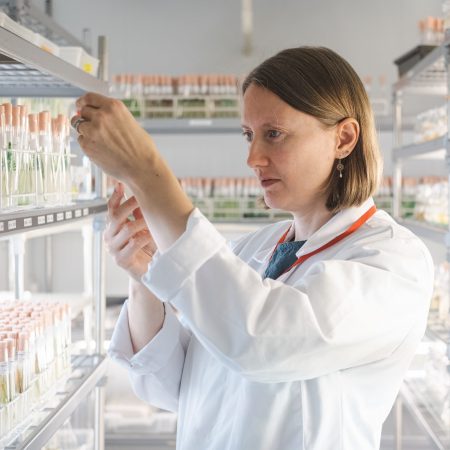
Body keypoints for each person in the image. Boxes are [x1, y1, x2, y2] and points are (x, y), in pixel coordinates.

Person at [73, 47, 433, 450]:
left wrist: (148, 172)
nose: (252, 157)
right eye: (248, 135)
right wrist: (145, 280)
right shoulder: (252, 249)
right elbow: (171, 387)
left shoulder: (393, 262)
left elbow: (261, 341)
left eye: (273, 134)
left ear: (344, 139)